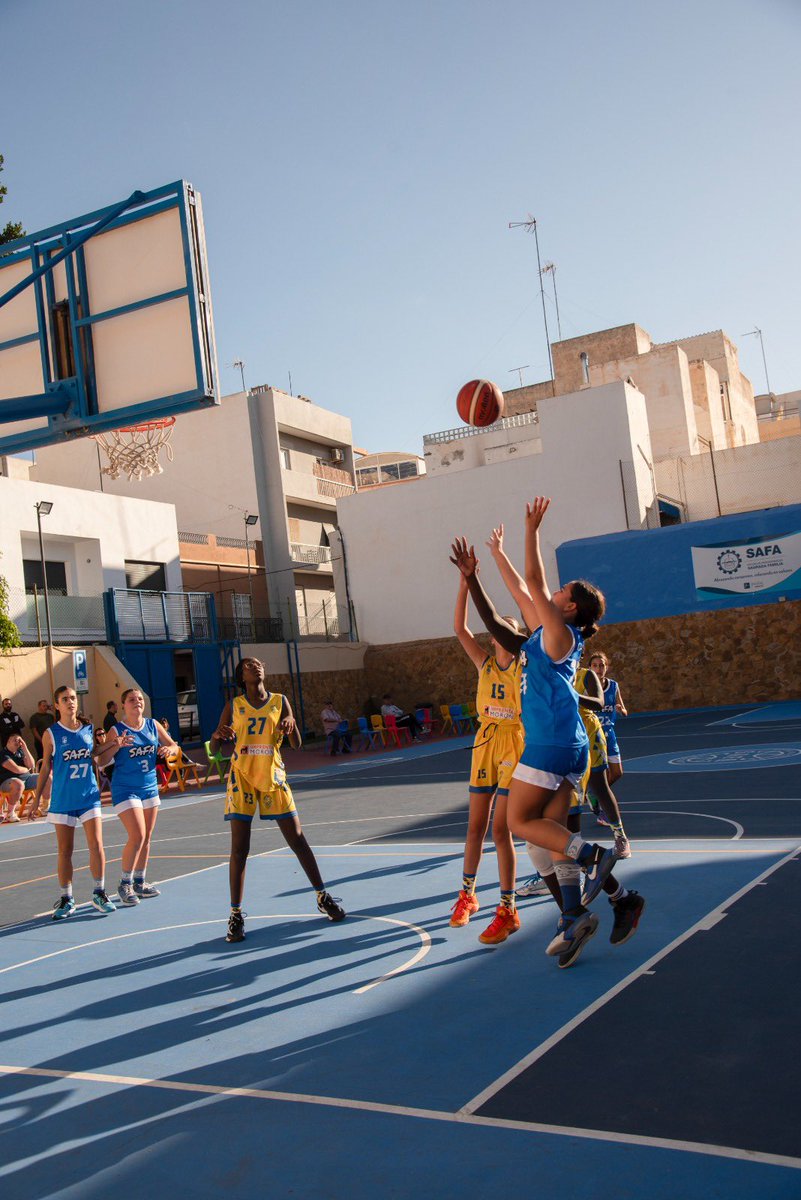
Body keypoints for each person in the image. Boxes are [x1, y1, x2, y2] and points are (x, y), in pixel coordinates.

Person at [461, 499, 617, 967]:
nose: (553, 592)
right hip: (565, 744)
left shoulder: (559, 636)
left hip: (550, 742)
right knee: (547, 836)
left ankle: (593, 857)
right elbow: (520, 590)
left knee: (517, 823)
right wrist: (496, 555)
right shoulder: (546, 635)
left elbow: (532, 581)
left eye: (561, 590)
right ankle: (573, 917)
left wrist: (531, 530)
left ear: (570, 605)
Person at [210, 656, 345, 944]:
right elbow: (215, 747)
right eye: (249, 665)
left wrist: (292, 723)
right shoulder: (233, 705)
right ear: (241, 676)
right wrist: (218, 735)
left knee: (298, 839)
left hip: (272, 775)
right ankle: (235, 914)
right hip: (242, 777)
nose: (256, 666)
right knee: (240, 849)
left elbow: (297, 745)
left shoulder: (280, 701)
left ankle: (322, 896)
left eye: (258, 664)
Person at [448, 537, 525, 945]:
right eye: (499, 631)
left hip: (514, 743)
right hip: (485, 742)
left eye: (509, 630)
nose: (501, 635)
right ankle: (467, 895)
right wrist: (465, 582)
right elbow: (460, 629)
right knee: (475, 826)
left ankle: (507, 905)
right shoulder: (484, 664)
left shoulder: (522, 667)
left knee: (501, 830)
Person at [33, 685, 115, 919]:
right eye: (65, 699)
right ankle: (67, 898)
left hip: (88, 795)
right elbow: (45, 767)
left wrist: (114, 743)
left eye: (72, 698)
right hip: (63, 799)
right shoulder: (51, 733)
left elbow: (95, 753)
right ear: (57, 705)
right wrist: (36, 799)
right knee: (65, 850)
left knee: (96, 844)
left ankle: (99, 893)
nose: (70, 702)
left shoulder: (88, 728)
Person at [98, 689, 177, 905]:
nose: (137, 702)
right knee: (138, 835)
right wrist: (116, 745)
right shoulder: (116, 730)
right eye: (131, 700)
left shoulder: (153, 725)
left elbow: (174, 745)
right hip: (125, 788)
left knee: (147, 836)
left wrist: (169, 750)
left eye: (140, 699)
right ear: (123, 705)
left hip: (149, 786)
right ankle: (125, 883)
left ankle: (140, 881)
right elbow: (101, 761)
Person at [574, 665, 631, 859]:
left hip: (589, 732)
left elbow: (599, 703)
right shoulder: (549, 672)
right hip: (562, 733)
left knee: (600, 786)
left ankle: (620, 837)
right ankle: (572, 850)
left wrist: (571, 695)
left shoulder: (585, 675)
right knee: (565, 795)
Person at [588, 651, 628, 785]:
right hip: (593, 735)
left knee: (617, 773)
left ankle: (595, 793)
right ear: (590, 668)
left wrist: (621, 710)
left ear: (606, 667)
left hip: (609, 734)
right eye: (595, 665)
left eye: (601, 665)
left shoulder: (613, 686)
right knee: (598, 774)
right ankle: (596, 793)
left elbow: (625, 711)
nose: (599, 669)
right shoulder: (585, 687)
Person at [0, 731, 40, 822]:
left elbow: (32, 765)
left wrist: (25, 748)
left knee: (46, 778)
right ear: (8, 742)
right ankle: (10, 813)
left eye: (19, 740)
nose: (18, 742)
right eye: (15, 740)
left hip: (26, 779)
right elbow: (16, 770)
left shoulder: (21, 752)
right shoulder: (3, 754)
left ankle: (46, 806)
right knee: (18, 784)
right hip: (8, 782)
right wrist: (26, 769)